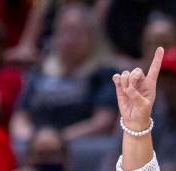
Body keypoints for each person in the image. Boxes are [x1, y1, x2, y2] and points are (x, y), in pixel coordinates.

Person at [10, 4, 117, 143]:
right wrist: (33, 139)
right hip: (37, 146)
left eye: (77, 32)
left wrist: (58, 139)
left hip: (82, 147)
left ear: (93, 37)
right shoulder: (40, 72)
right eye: (64, 31)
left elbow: (103, 122)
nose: (69, 39)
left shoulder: (105, 73)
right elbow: (20, 118)